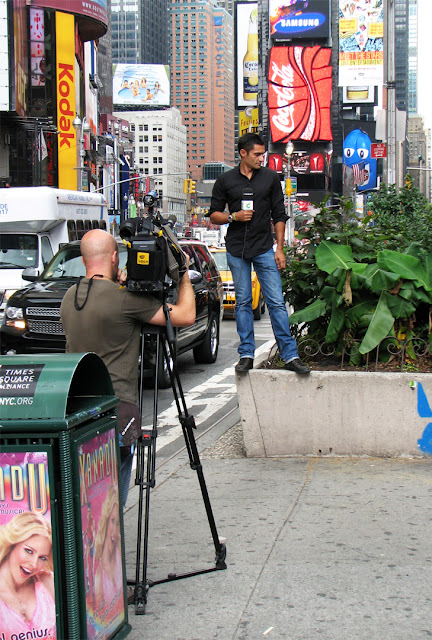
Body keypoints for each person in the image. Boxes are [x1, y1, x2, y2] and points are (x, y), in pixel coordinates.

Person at [61, 229, 195, 510]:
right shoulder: (125, 300)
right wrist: (182, 275)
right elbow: (186, 315)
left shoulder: (69, 299)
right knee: (111, 504)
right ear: (113, 257)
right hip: (117, 412)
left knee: (87, 493)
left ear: (84, 259)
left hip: (76, 412)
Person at [208, 132, 310, 375]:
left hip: (264, 249)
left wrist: (280, 249)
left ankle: (290, 355)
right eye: (256, 154)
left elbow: (279, 215)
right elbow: (213, 214)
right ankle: (246, 354)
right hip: (236, 250)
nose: (261, 158)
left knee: (276, 302)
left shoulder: (271, 178)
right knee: (242, 302)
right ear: (243, 153)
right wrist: (234, 216)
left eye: (263, 154)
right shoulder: (225, 180)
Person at [0, 511, 56, 639]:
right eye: (29, 551)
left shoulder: (47, 582)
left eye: (42, 557)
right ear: (12, 544)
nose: (34, 564)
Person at [94, 486, 122, 614]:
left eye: (117, 523)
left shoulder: (117, 549)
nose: (115, 531)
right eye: (112, 521)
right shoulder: (99, 576)